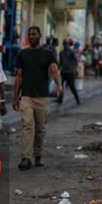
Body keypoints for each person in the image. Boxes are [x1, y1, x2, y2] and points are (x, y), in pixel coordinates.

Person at [13, 26, 63, 170]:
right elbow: (19, 76)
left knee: (40, 128)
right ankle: (25, 157)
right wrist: (16, 96)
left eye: (34, 34)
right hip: (27, 96)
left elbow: (54, 70)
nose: (31, 36)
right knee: (27, 126)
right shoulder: (22, 54)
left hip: (42, 97)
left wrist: (59, 85)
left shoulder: (48, 53)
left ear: (40, 35)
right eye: (29, 34)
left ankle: (38, 155)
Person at [58, 39, 80, 105]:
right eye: (64, 44)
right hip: (63, 72)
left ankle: (77, 99)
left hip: (70, 72)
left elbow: (75, 61)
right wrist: (58, 69)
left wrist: (74, 68)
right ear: (63, 44)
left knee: (72, 86)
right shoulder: (61, 52)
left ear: (68, 44)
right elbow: (61, 62)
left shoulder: (71, 52)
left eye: (66, 44)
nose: (65, 45)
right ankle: (60, 99)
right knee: (60, 86)